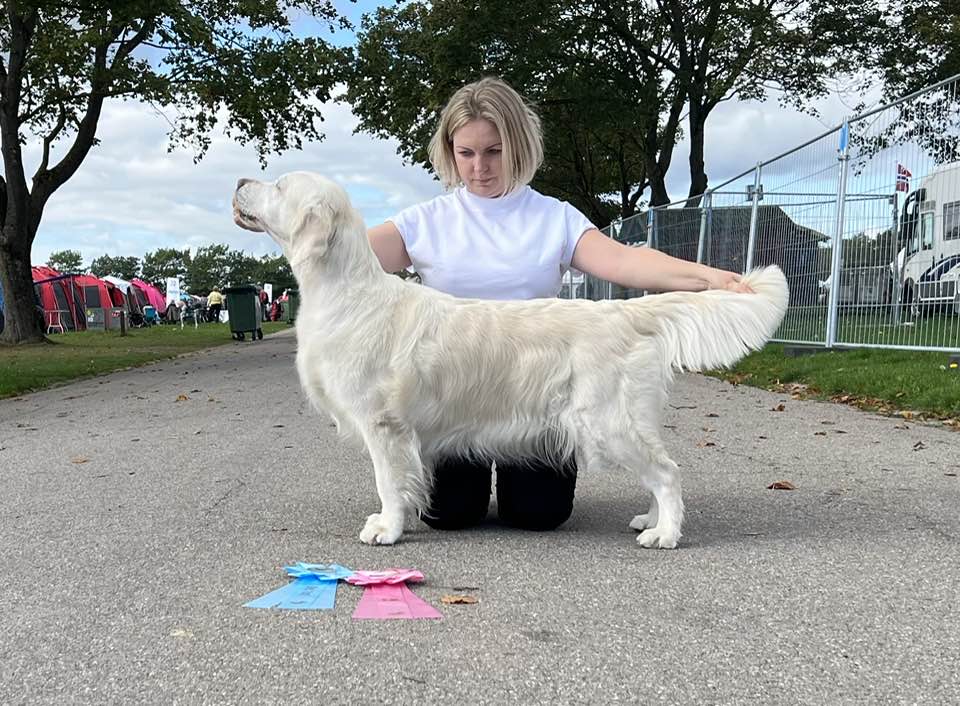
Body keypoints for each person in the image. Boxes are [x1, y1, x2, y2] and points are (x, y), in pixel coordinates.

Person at [367, 77, 752, 533]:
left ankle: (649, 495)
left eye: (494, 151)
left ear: (518, 146)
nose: (479, 167)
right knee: (449, 515)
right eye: (465, 153)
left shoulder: (554, 217)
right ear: (450, 152)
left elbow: (624, 261)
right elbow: (344, 254)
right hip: (454, 398)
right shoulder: (423, 221)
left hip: (538, 392)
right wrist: (294, 221)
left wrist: (710, 279)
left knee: (539, 514)